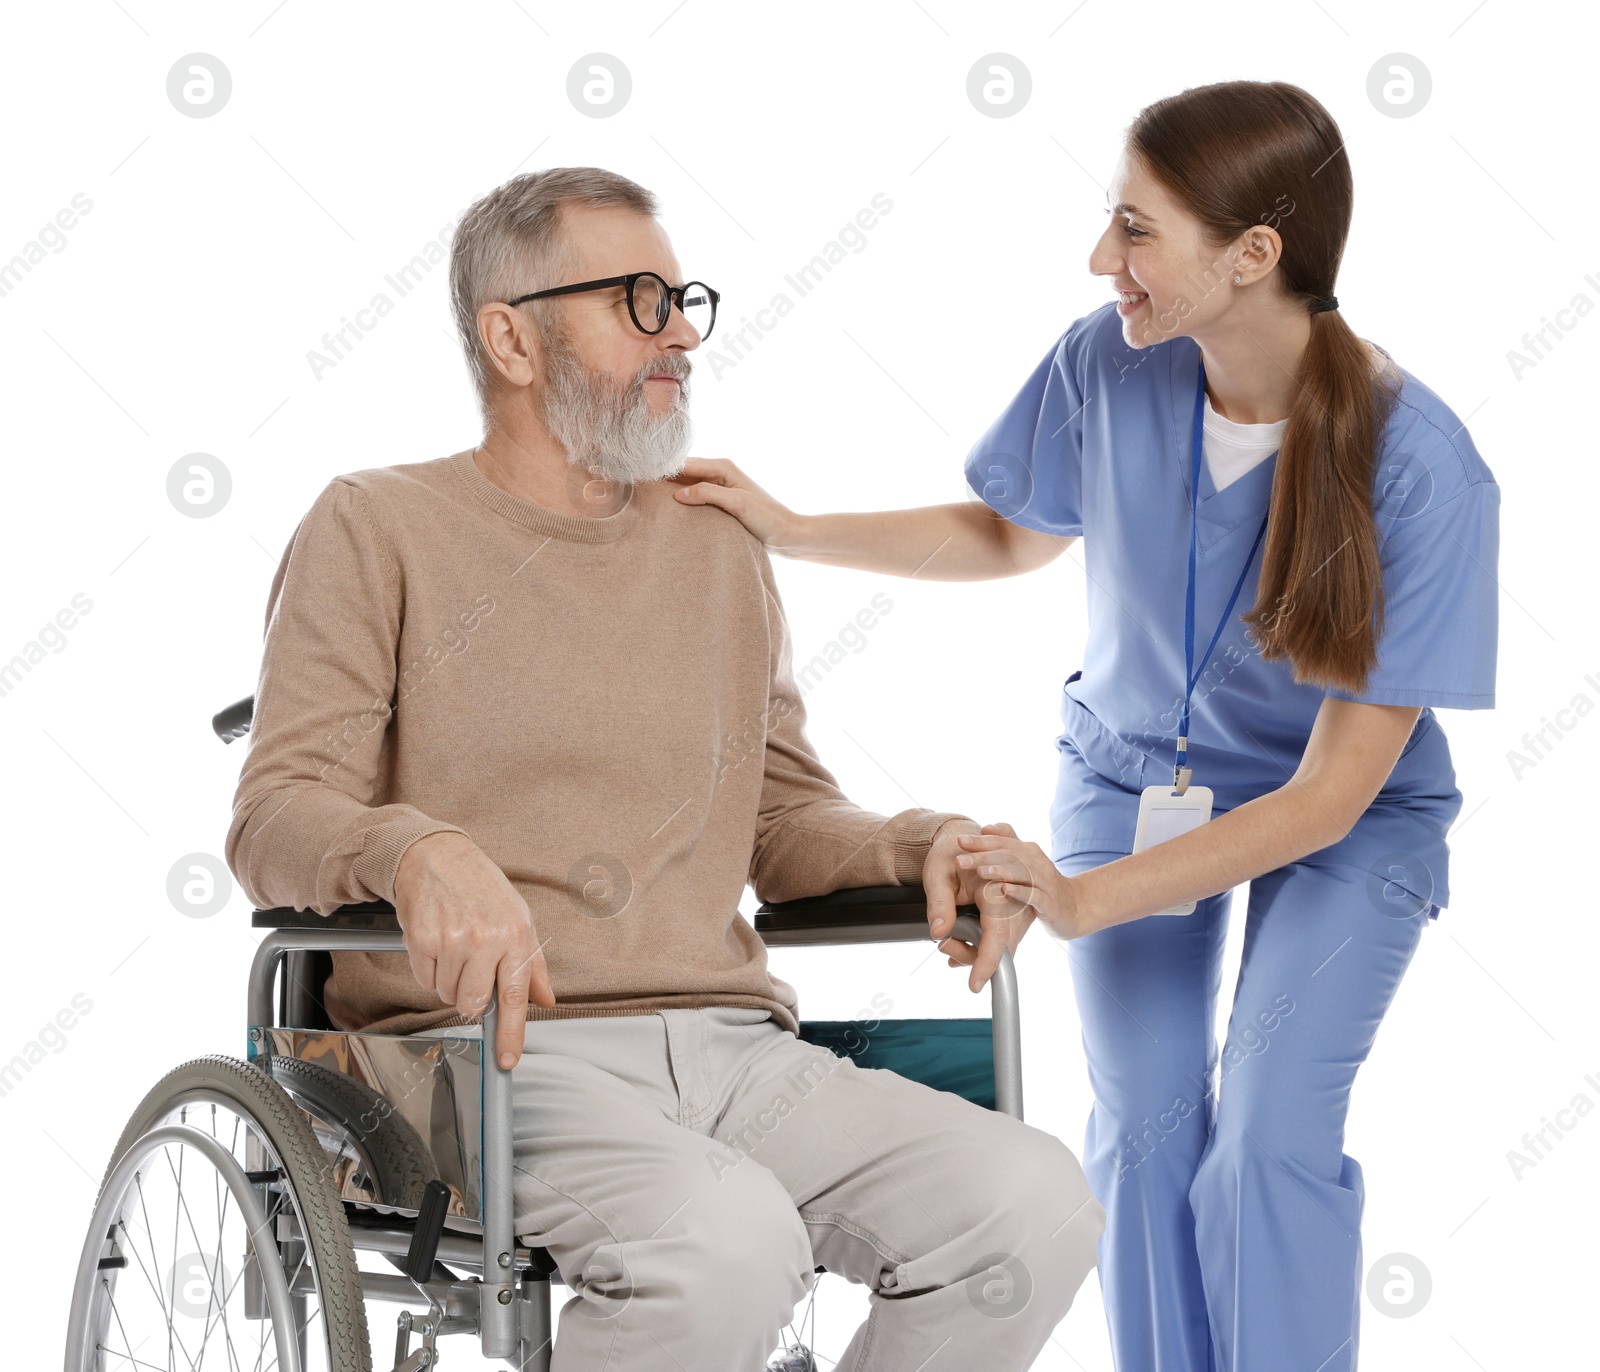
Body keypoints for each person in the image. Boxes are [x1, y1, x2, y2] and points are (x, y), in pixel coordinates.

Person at [673, 80, 1499, 1372]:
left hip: (1344, 816)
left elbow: (1328, 799)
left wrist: (1082, 898)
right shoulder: (1103, 362)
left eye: (1134, 229)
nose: (1101, 259)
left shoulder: (1419, 463)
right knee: (1152, 1127)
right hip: (1129, 774)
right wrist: (792, 529)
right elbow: (1008, 530)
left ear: (1252, 256)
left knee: (1272, 1141)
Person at [226, 165, 1104, 1371]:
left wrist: (920, 847)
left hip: (735, 1051)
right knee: (727, 1252)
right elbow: (276, 814)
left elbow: (784, 818)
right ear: (512, 338)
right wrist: (414, 845)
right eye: (637, 301)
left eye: (682, 298)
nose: (681, 332)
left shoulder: (714, 542)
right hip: (484, 1059)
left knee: (1031, 1202)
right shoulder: (375, 526)